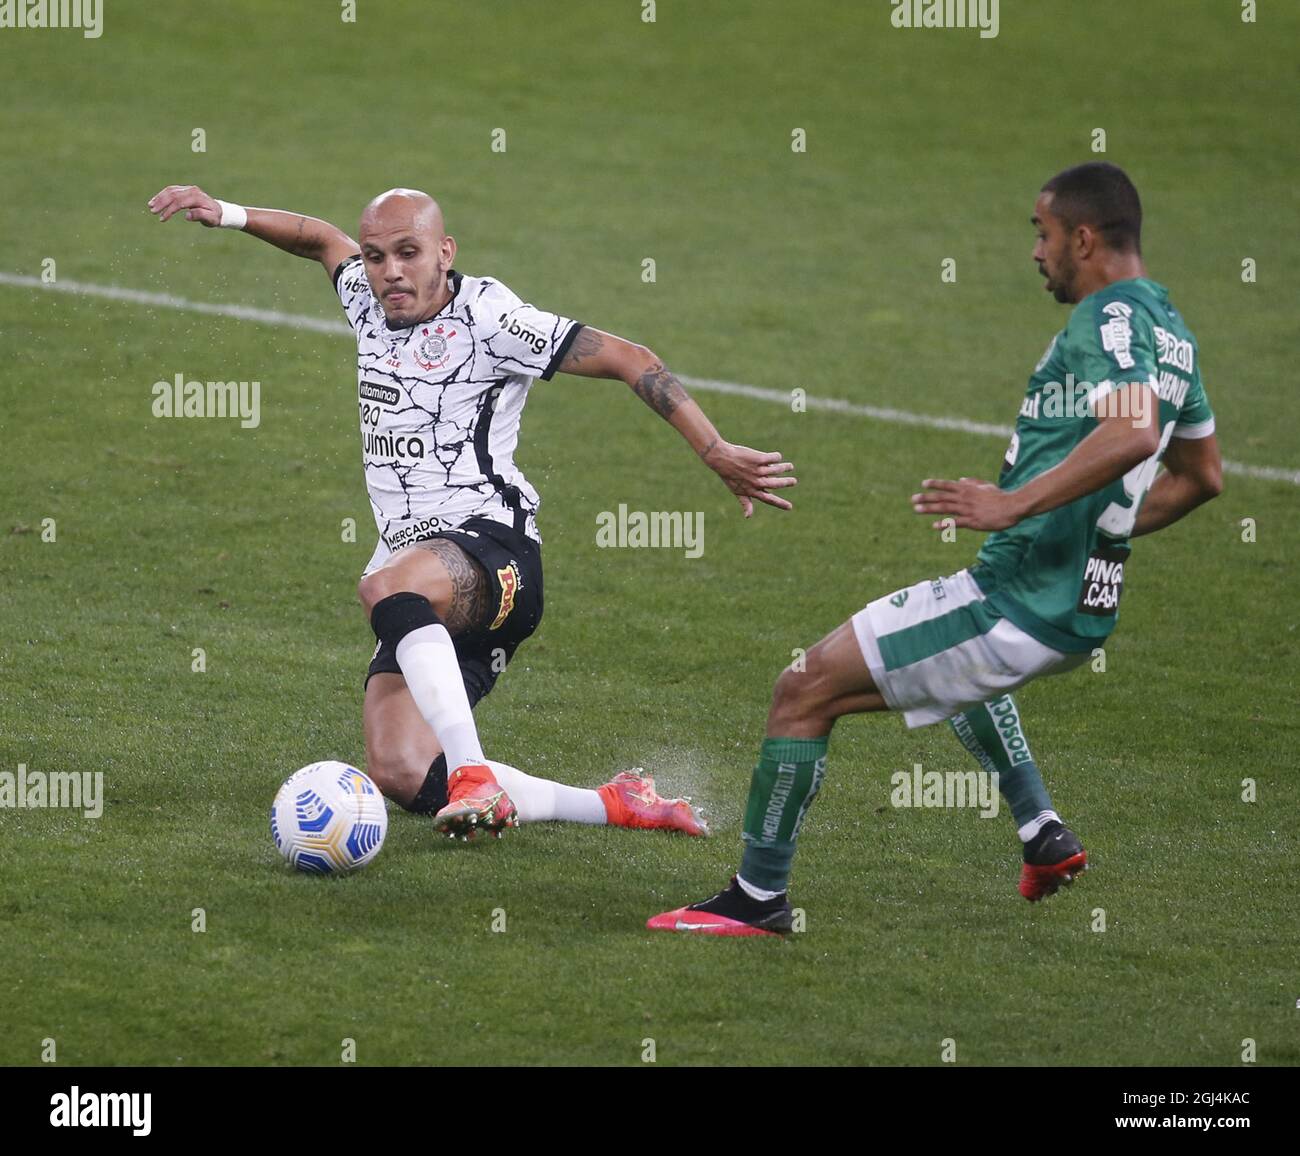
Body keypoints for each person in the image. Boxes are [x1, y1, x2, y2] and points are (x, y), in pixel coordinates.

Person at [649, 162, 1223, 935]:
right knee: (950, 673)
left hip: (1018, 597)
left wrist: (1013, 503)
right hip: (1077, 604)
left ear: (1083, 238)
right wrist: (1100, 537)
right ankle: (1041, 831)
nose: (1036, 251)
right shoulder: (1171, 330)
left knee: (803, 689)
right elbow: (1201, 477)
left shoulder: (1106, 320)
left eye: (1043, 233)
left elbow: (1133, 433)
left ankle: (757, 900)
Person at [148, 184, 796, 840]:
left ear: (444, 252)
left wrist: (713, 448)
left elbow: (631, 358)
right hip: (424, 577)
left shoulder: (489, 317)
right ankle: (616, 802)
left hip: (495, 551)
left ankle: (473, 774)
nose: (390, 271)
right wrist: (225, 214)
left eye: (408, 253)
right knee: (400, 769)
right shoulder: (369, 304)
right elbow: (319, 237)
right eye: (375, 256)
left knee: (383, 587)